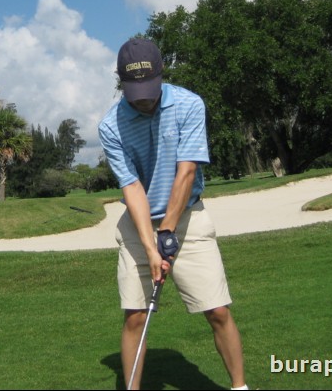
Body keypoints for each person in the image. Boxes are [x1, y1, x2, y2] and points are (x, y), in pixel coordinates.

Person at [98, 37, 248, 391]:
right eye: (136, 90)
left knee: (218, 310)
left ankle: (240, 388)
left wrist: (167, 232)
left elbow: (187, 172)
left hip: (188, 219)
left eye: (149, 87)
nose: (145, 99)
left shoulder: (189, 104)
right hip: (138, 226)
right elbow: (132, 189)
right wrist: (152, 247)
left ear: (162, 74)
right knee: (136, 316)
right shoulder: (110, 126)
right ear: (121, 84)